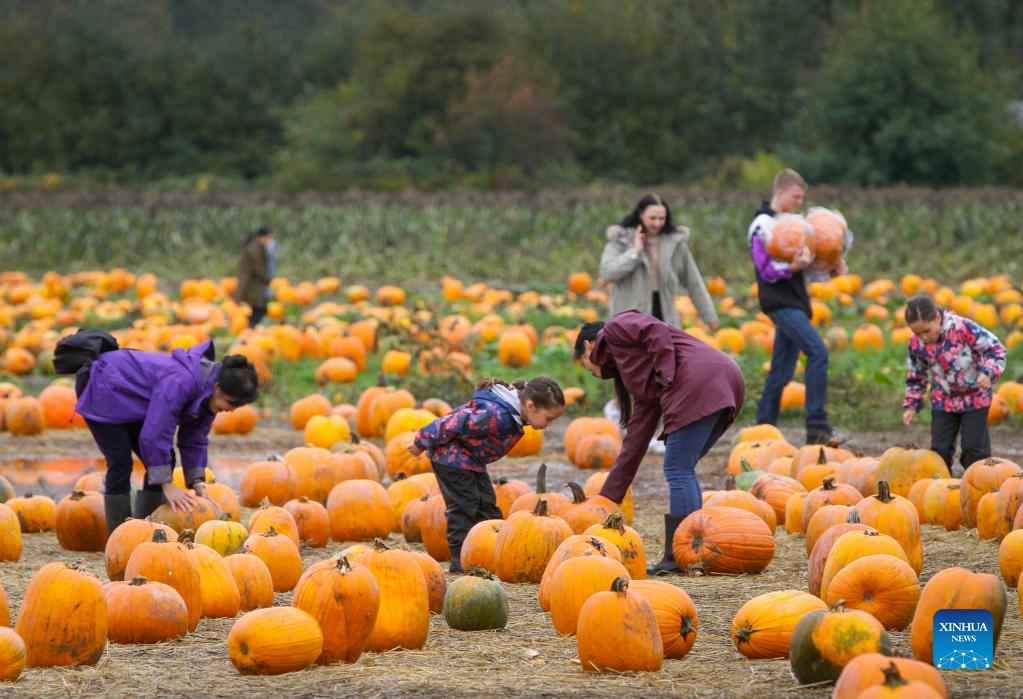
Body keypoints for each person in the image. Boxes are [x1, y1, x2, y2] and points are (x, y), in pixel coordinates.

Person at [574, 310, 745, 575]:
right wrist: (609, 496)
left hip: (699, 380)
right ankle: (692, 550)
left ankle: (680, 554)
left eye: (586, 366)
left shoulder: (615, 328)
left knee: (678, 468)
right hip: (724, 378)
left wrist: (667, 376)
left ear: (588, 346)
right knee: (683, 467)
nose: (594, 373)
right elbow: (636, 440)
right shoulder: (639, 373)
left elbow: (653, 329)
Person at [74, 341, 260, 533]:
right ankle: (120, 536)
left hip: (131, 398)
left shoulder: (207, 395)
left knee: (166, 460)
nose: (230, 410)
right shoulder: (182, 381)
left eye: (236, 407)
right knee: (120, 461)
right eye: (231, 403)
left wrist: (196, 481)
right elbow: (156, 431)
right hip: (103, 384)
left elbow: (194, 439)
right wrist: (166, 484)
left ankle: (145, 529)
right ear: (217, 387)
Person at [408, 377, 566, 573]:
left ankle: (490, 551)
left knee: (487, 502)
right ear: (531, 406)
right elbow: (452, 421)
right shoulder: (496, 414)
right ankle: (460, 559)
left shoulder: (516, 412)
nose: (549, 424)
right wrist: (421, 441)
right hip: (450, 459)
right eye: (549, 418)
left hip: (471, 460)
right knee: (465, 504)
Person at [748, 169, 847, 445]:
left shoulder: (795, 225)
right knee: (817, 352)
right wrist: (794, 265)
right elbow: (765, 270)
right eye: (795, 197)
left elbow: (801, 272)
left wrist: (829, 271)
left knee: (781, 370)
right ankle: (817, 424)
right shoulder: (762, 225)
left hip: (796, 302)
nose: (798, 204)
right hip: (780, 304)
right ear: (779, 192)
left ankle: (762, 426)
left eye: (802, 199)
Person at [902, 294, 1006, 476]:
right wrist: (912, 405)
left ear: (937, 317)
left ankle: (978, 483)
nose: (923, 337)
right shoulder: (916, 344)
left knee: (974, 449)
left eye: (926, 331)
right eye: (917, 333)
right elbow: (917, 375)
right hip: (943, 400)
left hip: (975, 397)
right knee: (940, 450)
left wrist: (987, 372)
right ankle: (941, 490)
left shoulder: (962, 328)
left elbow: (995, 349)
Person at [600, 194, 719, 330]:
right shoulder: (622, 239)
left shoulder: (676, 243)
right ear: (641, 214)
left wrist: (709, 316)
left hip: (665, 317)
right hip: (628, 320)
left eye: (661, 218)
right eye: (653, 218)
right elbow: (607, 273)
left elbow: (693, 282)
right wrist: (635, 251)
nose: (657, 223)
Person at [234, 226, 275, 328]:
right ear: (262, 237)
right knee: (261, 309)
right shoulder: (255, 249)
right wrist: (267, 278)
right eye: (268, 238)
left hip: (254, 285)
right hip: (253, 286)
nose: (270, 241)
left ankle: (250, 327)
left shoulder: (257, 248)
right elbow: (258, 268)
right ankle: (250, 327)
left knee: (257, 309)